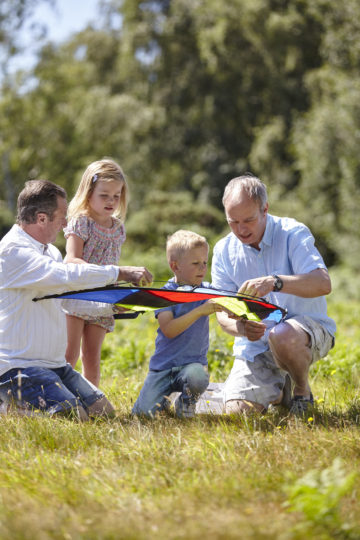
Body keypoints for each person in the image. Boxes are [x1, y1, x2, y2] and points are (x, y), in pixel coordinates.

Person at [0, 179, 152, 420]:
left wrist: (110, 306)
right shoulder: (13, 252)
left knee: (104, 413)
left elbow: (65, 300)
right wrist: (118, 272)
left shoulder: (50, 251)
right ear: (41, 218)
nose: (65, 224)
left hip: (55, 365)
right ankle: (7, 407)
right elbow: (66, 275)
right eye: (62, 216)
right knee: (75, 417)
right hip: (18, 368)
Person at [211, 174, 336, 416]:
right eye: (233, 222)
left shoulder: (293, 233)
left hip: (305, 333)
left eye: (248, 220)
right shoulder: (223, 251)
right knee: (238, 413)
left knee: (282, 334)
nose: (241, 229)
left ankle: (302, 390)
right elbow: (222, 313)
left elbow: (323, 283)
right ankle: (279, 392)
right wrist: (242, 329)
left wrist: (275, 283)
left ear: (265, 209)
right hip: (255, 347)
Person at [132, 230, 225, 418]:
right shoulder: (165, 295)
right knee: (142, 415)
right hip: (163, 369)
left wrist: (239, 311)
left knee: (198, 376)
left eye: (205, 263)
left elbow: (231, 303)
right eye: (196, 263)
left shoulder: (207, 291)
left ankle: (186, 403)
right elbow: (169, 330)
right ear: (175, 266)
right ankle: (164, 398)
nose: (202, 268)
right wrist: (200, 311)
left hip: (191, 367)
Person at [62, 158, 131, 386]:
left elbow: (112, 262)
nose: (111, 201)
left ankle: (91, 400)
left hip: (102, 300)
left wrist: (116, 296)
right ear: (88, 192)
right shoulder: (81, 222)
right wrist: (107, 273)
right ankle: (60, 397)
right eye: (104, 195)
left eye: (116, 195)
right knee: (68, 355)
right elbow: (71, 259)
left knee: (92, 356)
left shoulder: (118, 228)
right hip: (77, 295)